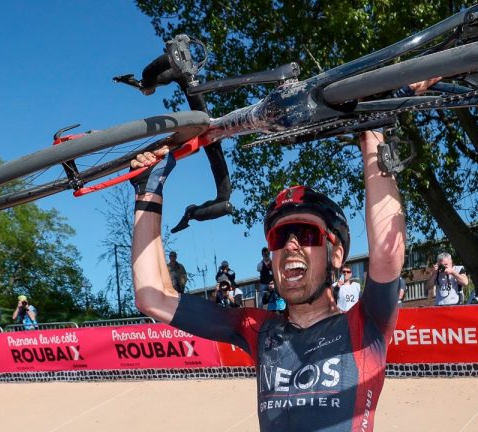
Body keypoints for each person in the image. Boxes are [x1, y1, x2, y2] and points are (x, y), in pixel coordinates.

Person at [129, 129, 404, 431]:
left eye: (307, 234)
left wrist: (372, 135)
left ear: (336, 255)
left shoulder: (366, 324)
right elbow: (152, 297)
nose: (291, 246)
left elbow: (388, 254)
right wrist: (148, 191)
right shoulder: (259, 329)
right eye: (279, 237)